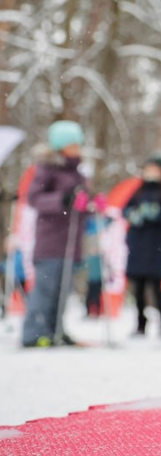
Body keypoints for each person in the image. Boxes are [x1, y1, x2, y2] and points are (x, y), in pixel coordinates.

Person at [22, 121, 91, 347]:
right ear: (61, 146)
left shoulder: (78, 172)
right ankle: (35, 332)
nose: (77, 148)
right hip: (50, 241)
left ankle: (55, 330)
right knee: (46, 289)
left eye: (77, 144)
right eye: (72, 144)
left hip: (71, 242)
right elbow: (34, 198)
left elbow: (80, 203)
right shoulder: (47, 168)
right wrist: (61, 200)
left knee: (63, 290)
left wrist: (89, 204)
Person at [124, 156, 161, 338]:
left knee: (156, 286)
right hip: (138, 244)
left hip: (157, 245)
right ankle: (140, 323)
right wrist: (135, 214)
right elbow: (126, 209)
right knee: (138, 288)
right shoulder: (138, 190)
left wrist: (157, 214)